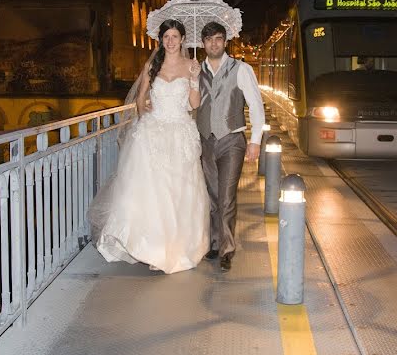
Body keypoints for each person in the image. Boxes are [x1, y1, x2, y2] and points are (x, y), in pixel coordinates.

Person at [89, 19, 210, 274]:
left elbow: (195, 103)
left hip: (179, 133)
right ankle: (152, 247)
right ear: (161, 40)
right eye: (166, 36)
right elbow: (140, 99)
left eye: (175, 36)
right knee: (151, 193)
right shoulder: (151, 66)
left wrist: (195, 79)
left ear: (182, 40)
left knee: (178, 193)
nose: (170, 41)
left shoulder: (191, 66)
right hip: (152, 133)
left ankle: (176, 248)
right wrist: (146, 112)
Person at [196, 22, 265, 271]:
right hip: (205, 141)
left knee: (226, 197)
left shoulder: (242, 69)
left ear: (225, 42)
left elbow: (256, 106)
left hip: (232, 141)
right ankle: (214, 243)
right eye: (208, 39)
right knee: (212, 196)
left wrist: (255, 141)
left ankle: (226, 249)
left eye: (218, 39)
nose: (213, 43)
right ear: (202, 43)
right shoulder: (195, 71)